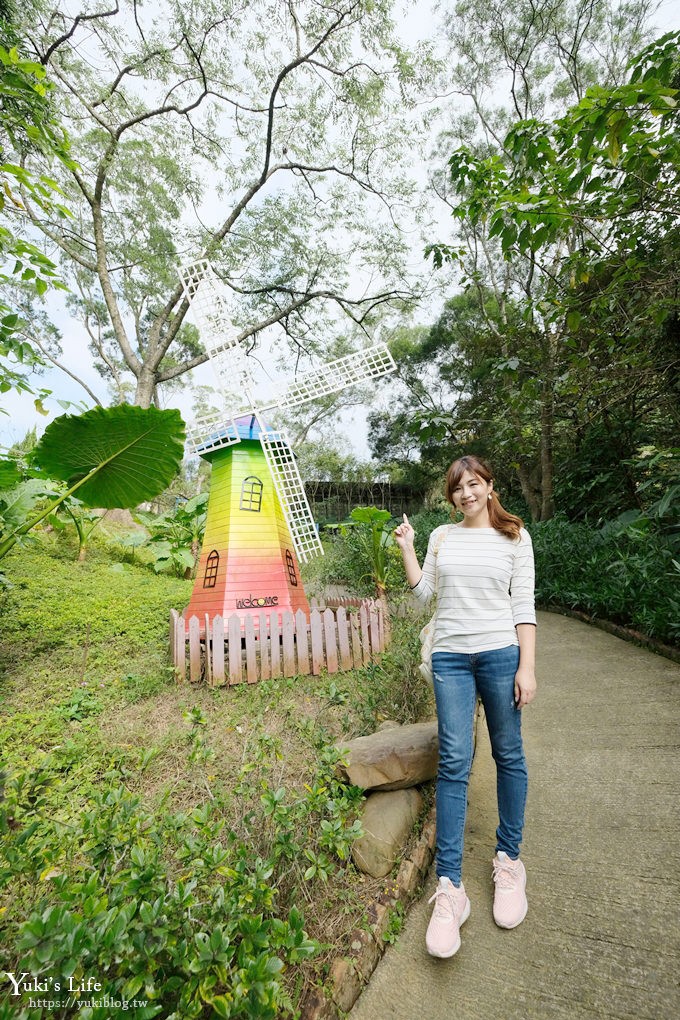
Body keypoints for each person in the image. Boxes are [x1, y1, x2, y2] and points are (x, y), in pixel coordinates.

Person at [394, 454, 537, 959]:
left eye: (473, 484)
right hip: (451, 658)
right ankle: (451, 889)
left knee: (508, 754)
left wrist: (527, 667)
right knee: (454, 763)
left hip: (501, 655)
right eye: (457, 488)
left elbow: (524, 605)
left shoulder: (515, 537)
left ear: (489, 486)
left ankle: (509, 861)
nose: (466, 494)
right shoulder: (441, 537)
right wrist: (409, 549)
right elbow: (423, 596)